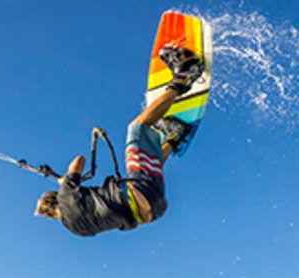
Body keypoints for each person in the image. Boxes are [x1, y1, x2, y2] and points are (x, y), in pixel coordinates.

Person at [35, 46, 204, 237]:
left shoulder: (77, 230)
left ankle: (174, 138)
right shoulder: (65, 195)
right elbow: (79, 161)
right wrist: (66, 180)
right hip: (141, 190)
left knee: (144, 166)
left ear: (52, 216)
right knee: (136, 128)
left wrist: (69, 186)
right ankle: (184, 76)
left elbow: (98, 211)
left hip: (154, 210)